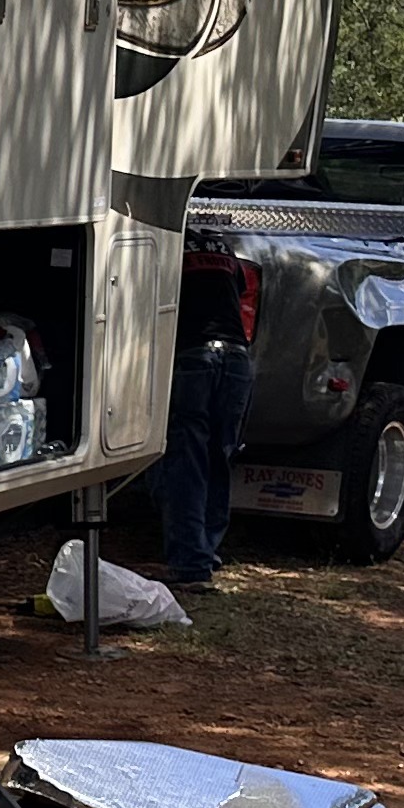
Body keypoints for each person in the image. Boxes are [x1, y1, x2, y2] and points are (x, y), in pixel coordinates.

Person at [155, 241, 261, 591]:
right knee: (219, 457)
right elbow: (240, 291)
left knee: (188, 460)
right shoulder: (222, 245)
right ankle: (207, 550)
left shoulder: (168, 238)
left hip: (195, 355)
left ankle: (190, 563)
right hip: (236, 359)